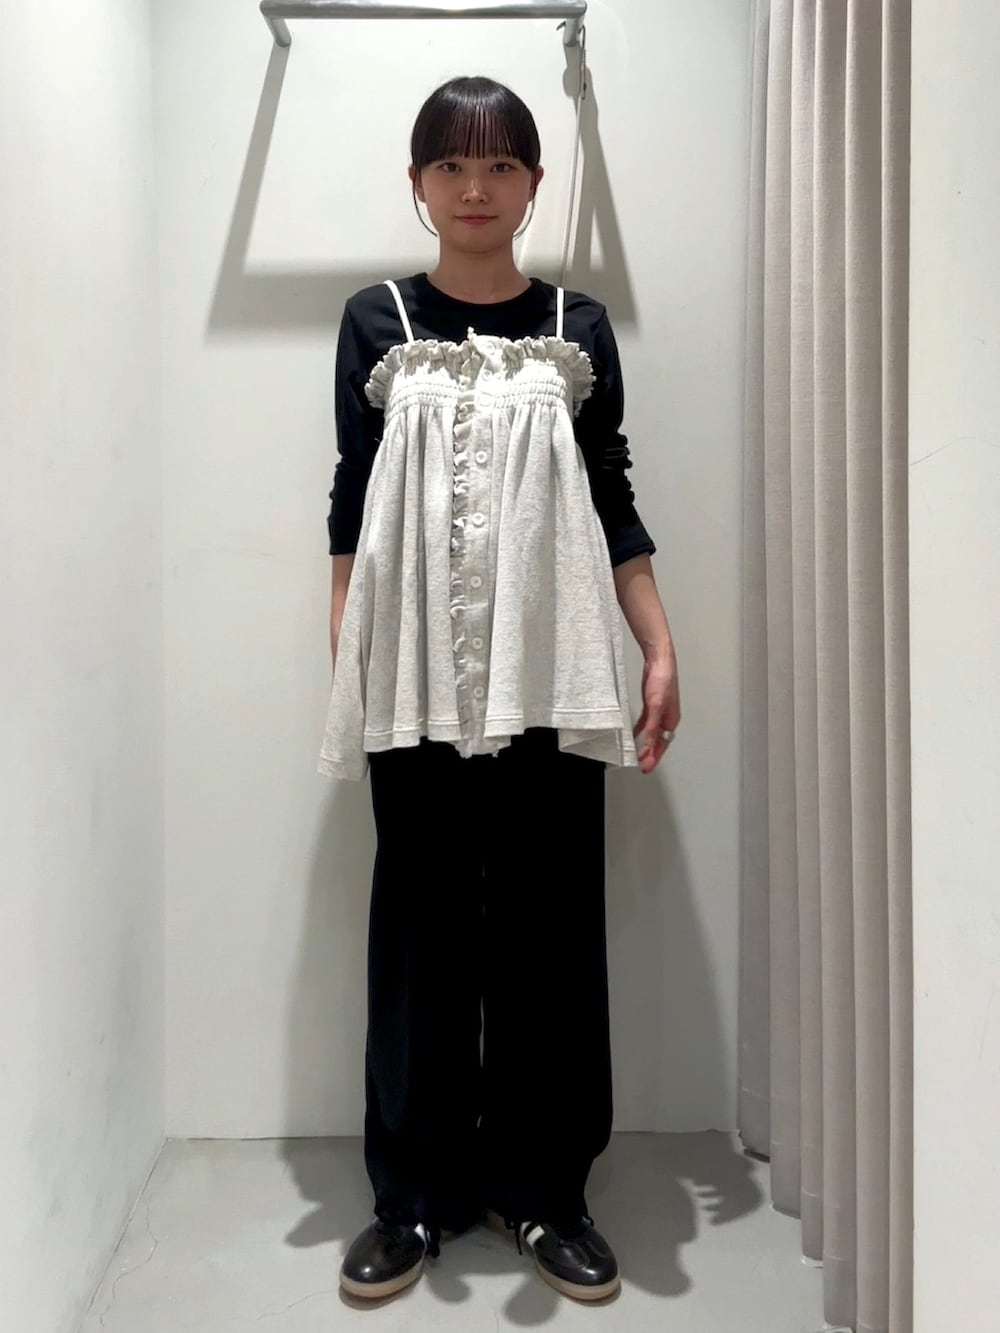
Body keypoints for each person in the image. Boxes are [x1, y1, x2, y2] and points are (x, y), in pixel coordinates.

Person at [319, 75, 680, 1304]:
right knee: (420, 931)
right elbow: (351, 500)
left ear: (532, 182)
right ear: (417, 183)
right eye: (450, 166)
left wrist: (657, 645)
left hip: (551, 670)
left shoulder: (579, 325)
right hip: (414, 674)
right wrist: (349, 656)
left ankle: (543, 1190)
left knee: (547, 930)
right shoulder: (374, 320)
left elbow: (611, 493)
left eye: (500, 166)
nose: (475, 189)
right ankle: (413, 1194)